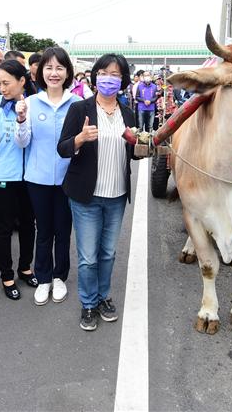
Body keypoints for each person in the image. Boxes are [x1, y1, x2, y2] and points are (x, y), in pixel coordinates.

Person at [58, 53, 138, 331]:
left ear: (123, 80)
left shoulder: (128, 113)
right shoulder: (80, 110)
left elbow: (134, 151)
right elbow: (63, 148)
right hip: (86, 197)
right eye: (104, 73)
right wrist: (79, 139)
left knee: (108, 253)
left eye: (115, 75)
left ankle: (103, 297)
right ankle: (88, 303)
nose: (109, 79)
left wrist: (143, 146)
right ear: (95, 77)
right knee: (88, 256)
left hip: (116, 195)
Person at [15, 46, 80, 306]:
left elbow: (81, 143)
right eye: (49, 67)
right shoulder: (29, 103)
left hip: (68, 179)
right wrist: (20, 121)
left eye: (60, 68)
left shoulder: (77, 104)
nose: (54, 73)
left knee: (63, 231)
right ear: (41, 72)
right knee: (43, 231)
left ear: (67, 73)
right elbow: (22, 143)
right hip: (37, 179)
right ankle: (43, 278)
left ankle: (59, 277)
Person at [0, 60, 39, 300]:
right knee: (3, 228)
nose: (2, 88)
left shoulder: (35, 104)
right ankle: (7, 275)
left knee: (28, 224)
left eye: (6, 83)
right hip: (3, 175)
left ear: (22, 81)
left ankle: (25, 267)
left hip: (31, 176)